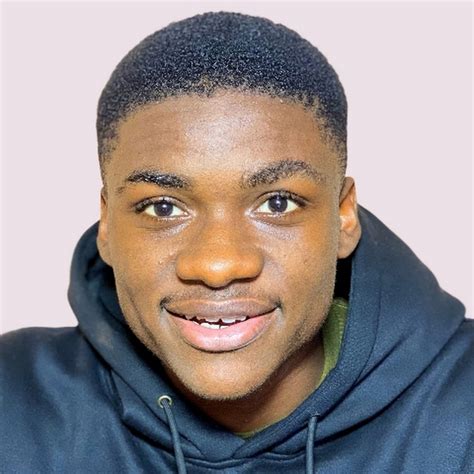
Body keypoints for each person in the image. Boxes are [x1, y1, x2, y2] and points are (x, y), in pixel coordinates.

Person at [1, 11, 472, 473]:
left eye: (278, 203)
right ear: (106, 225)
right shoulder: (13, 403)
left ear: (344, 217)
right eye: (163, 208)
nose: (219, 264)